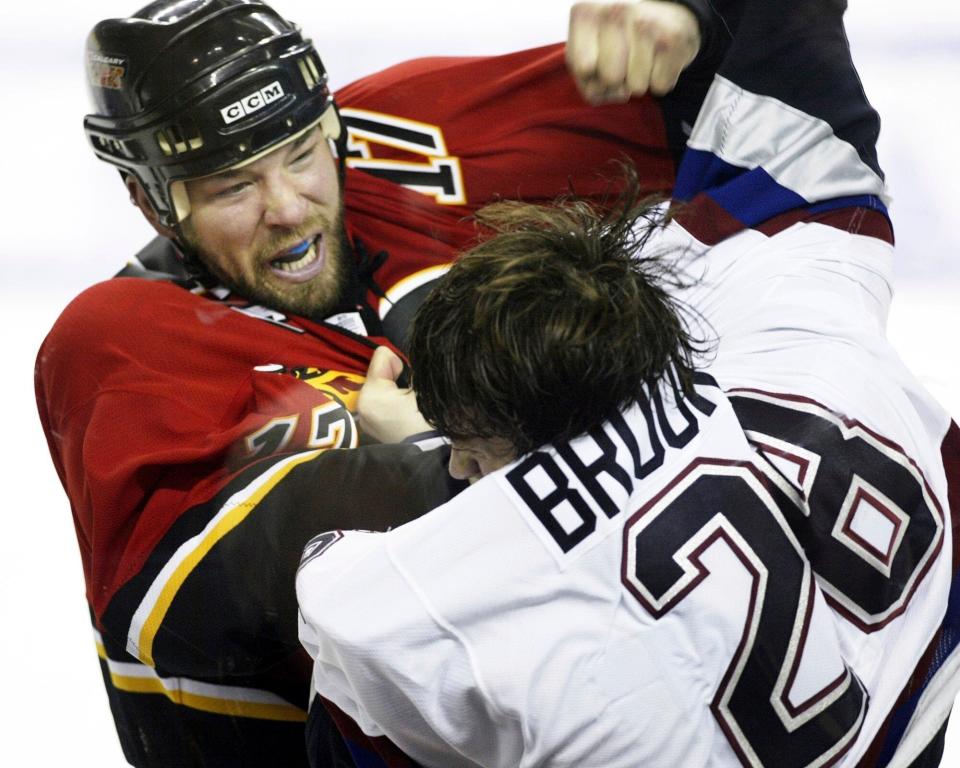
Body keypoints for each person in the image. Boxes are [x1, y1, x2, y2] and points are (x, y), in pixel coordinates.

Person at [35, 0, 711, 765]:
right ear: (150, 198)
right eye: (231, 187)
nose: (288, 208)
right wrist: (450, 452)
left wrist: (691, 20)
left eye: (299, 152)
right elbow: (202, 603)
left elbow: (764, 82)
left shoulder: (401, 143)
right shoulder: (118, 340)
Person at [297, 2, 960, 766]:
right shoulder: (808, 312)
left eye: (469, 447)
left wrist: (422, 448)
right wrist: (698, 15)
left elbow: (359, 609)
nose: (456, 462)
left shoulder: (417, 604)